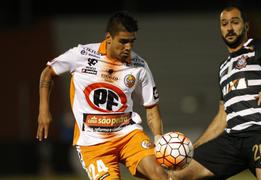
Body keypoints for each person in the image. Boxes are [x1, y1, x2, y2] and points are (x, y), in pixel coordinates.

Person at [36, 11, 169, 180]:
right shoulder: (81, 55)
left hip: (128, 135)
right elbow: (47, 73)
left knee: (160, 175)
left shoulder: (139, 66)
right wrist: (43, 111)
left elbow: (151, 108)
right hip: (93, 144)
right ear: (109, 38)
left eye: (132, 41)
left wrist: (158, 139)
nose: (128, 47)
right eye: (123, 41)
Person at [170, 6, 261, 180]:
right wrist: (196, 146)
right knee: (176, 175)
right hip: (231, 140)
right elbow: (222, 118)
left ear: (246, 26)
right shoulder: (223, 67)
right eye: (224, 23)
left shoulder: (258, 47)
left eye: (235, 22)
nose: (229, 28)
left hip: (260, 134)